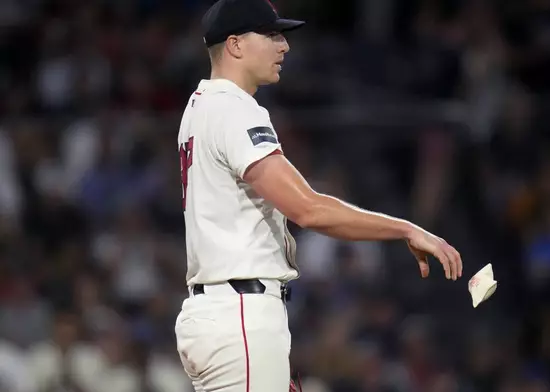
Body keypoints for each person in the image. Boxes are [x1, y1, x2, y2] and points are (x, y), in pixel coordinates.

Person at [174, 0, 464, 391]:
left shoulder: (198, 107)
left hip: (217, 314)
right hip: (238, 313)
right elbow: (307, 209)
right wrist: (404, 228)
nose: (284, 46)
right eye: (271, 34)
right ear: (235, 45)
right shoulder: (234, 108)